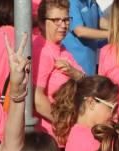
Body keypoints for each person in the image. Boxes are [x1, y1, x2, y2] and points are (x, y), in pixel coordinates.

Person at [52, 76, 119, 151]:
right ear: (91, 103)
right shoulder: (89, 140)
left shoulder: (77, 133)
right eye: (113, 108)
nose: (117, 115)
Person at [32, 0, 82, 133]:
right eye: (56, 20)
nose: (63, 25)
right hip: (51, 133)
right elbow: (37, 99)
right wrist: (64, 125)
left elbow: (84, 79)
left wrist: (75, 73)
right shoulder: (41, 50)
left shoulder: (61, 47)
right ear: (42, 23)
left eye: (66, 20)